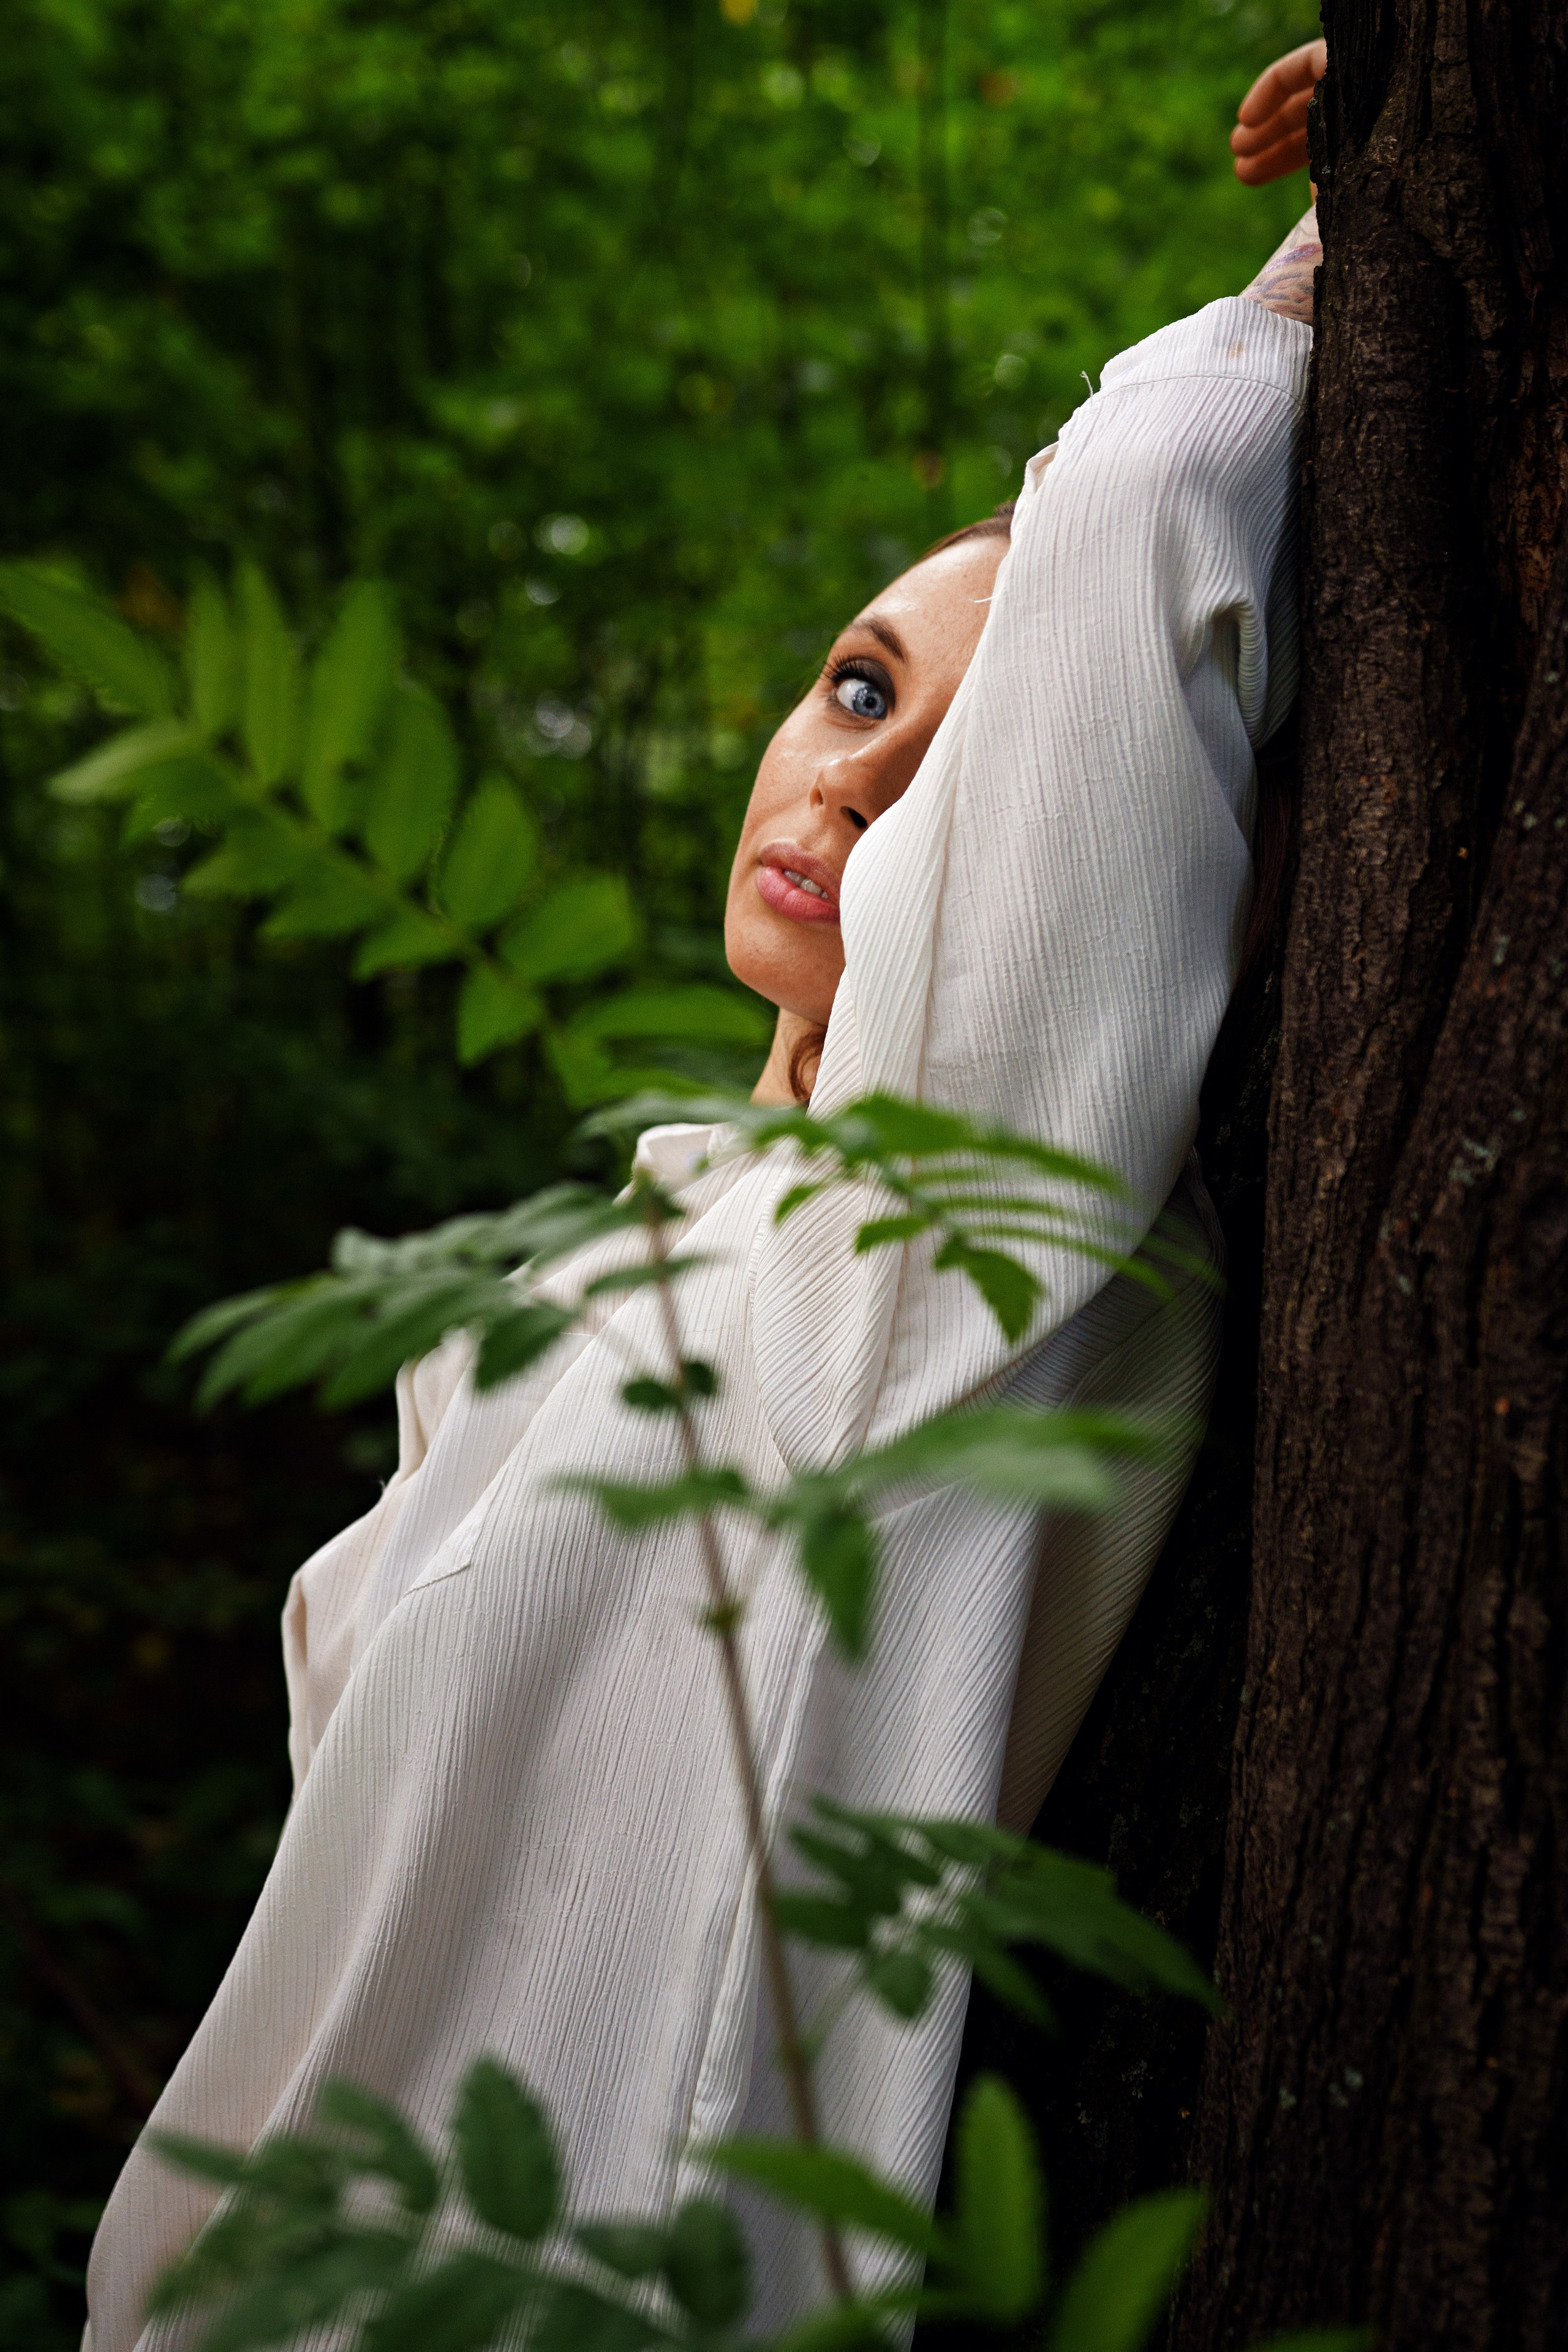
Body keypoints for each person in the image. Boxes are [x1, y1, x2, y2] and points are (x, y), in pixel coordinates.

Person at [86, 43, 1327, 2350]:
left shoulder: (978, 1250)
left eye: (974, 753)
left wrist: (1368, 239)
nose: (863, 783)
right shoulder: (584, 1289)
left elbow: (1162, 498)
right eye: (857, 684)